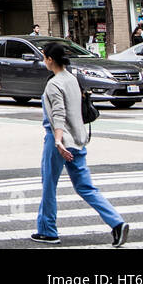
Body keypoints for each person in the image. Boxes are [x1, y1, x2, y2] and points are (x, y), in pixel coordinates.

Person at [31, 42, 129, 246]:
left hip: (59, 142)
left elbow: (58, 115)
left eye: (44, 57)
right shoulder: (72, 79)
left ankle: (48, 231)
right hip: (78, 140)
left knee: (49, 185)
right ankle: (116, 222)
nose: (43, 61)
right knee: (86, 187)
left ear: (50, 59)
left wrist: (58, 140)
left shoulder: (54, 84)